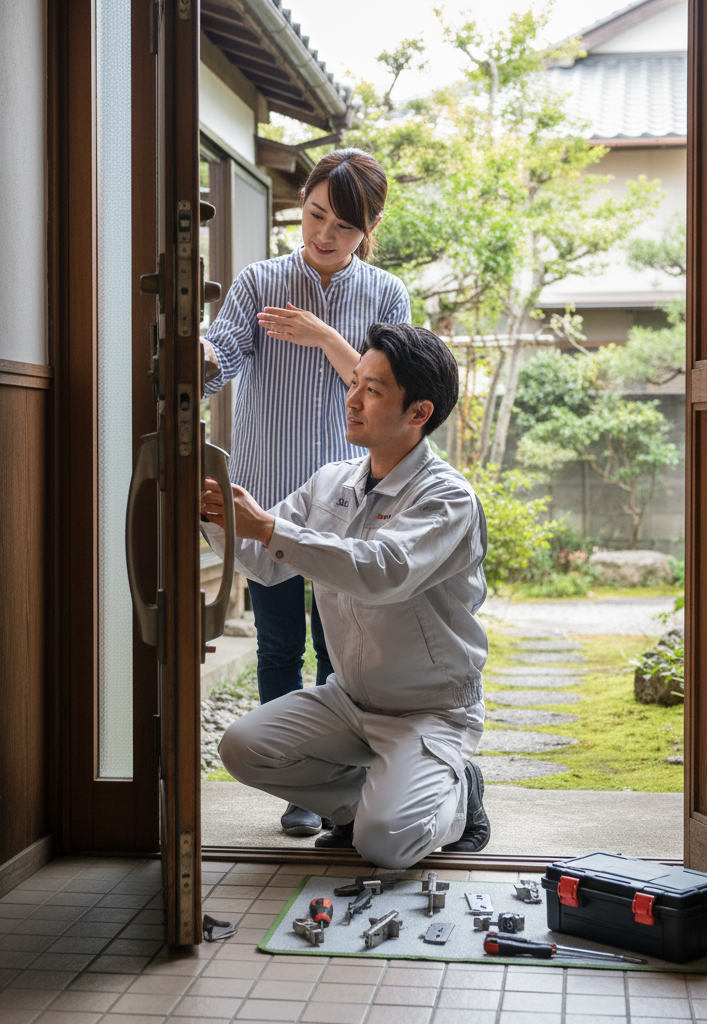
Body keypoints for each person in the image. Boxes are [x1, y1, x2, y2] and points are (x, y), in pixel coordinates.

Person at [200, 323, 491, 868]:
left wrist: (268, 528)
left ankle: (457, 796)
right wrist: (217, 515)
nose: (351, 399)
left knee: (386, 847)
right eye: (354, 382)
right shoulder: (331, 481)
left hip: (429, 711)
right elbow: (264, 565)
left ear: (419, 413)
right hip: (350, 700)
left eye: (372, 389)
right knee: (242, 747)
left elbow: (383, 572)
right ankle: (367, 804)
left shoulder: (446, 498)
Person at [201, 149, 411, 837]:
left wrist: (322, 335)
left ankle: (341, 781)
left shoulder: (386, 295)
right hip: (267, 499)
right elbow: (224, 350)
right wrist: (195, 357)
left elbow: (388, 391)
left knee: (343, 650)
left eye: (344, 226)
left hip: (353, 506)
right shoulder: (261, 280)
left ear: (369, 227)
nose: (324, 234)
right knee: (277, 644)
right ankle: (295, 784)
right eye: (315, 215)